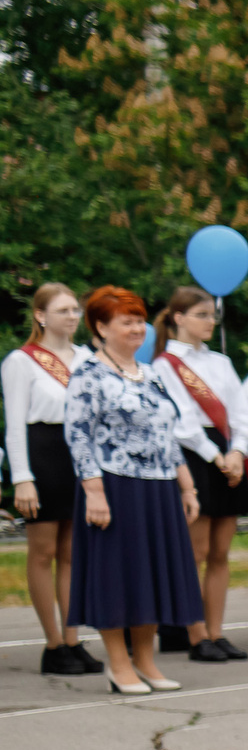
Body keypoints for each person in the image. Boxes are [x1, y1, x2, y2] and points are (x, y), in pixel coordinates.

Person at [65, 286, 201, 693]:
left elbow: (168, 433)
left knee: (152, 575)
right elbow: (78, 435)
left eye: (139, 320)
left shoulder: (152, 373)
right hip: (115, 485)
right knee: (118, 575)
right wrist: (94, 491)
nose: (136, 328)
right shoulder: (88, 375)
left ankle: (146, 661)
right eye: (126, 321)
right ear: (101, 327)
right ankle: (119, 663)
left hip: (159, 487)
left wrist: (187, 485)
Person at [152, 286, 248, 663]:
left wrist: (237, 451)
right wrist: (217, 457)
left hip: (228, 452)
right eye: (201, 315)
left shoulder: (221, 362)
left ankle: (216, 631)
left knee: (221, 552)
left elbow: (242, 415)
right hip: (195, 457)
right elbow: (180, 423)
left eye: (213, 315)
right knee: (195, 551)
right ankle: (194, 633)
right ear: (178, 318)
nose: (210, 321)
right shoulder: (164, 365)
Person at [7, 283, 102, 674]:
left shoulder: (89, 358)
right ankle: (52, 644)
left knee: (72, 554)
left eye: (76, 310)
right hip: (42, 452)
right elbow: (14, 425)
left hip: (79, 456)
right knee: (43, 552)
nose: (72, 317)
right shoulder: (22, 360)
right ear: (41, 316)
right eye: (63, 310)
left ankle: (72, 639)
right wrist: (21, 477)